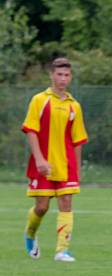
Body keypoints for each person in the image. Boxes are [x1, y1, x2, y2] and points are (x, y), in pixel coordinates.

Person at [22, 57, 89, 262]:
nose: (62, 78)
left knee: (66, 202)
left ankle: (62, 250)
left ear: (71, 77)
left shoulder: (74, 106)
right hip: (43, 163)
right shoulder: (39, 100)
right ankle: (30, 234)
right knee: (42, 207)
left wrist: (77, 168)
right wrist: (40, 159)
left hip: (66, 163)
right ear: (51, 75)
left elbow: (77, 140)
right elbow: (31, 131)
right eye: (59, 74)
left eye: (66, 75)